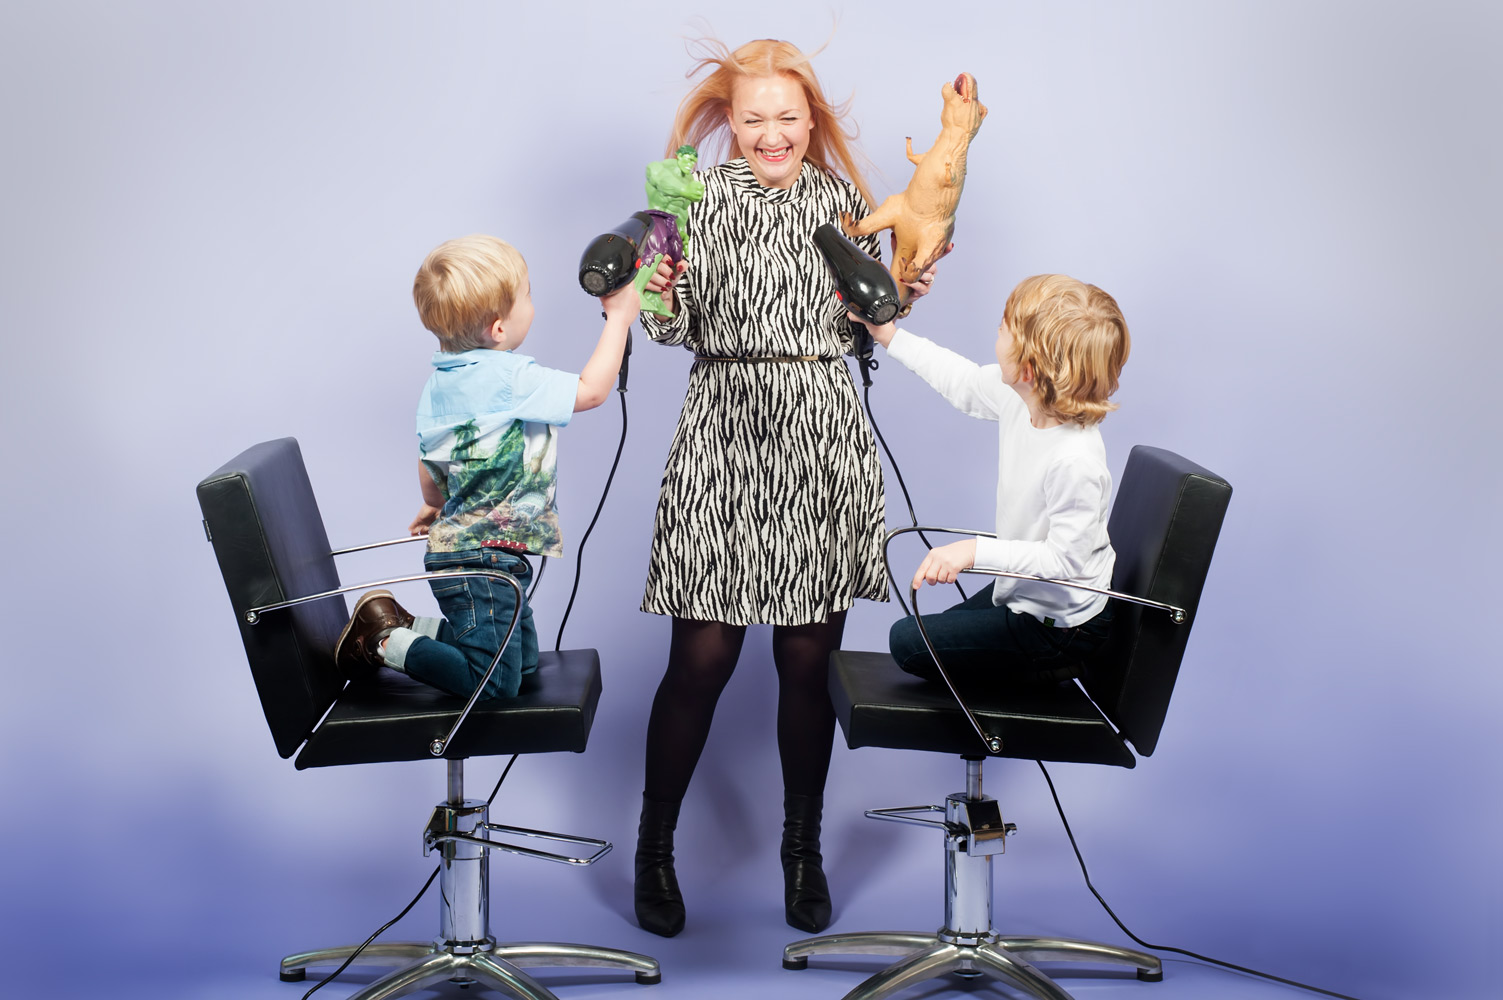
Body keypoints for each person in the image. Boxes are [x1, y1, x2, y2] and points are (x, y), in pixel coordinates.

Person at [629, 37, 939, 938]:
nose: (772, 133)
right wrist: (661, 276)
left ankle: (799, 850)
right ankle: (655, 846)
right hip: (723, 431)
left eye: (788, 118)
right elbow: (665, 327)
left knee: (807, 659)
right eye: (754, 117)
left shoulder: (842, 201)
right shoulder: (692, 202)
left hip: (818, 435)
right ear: (731, 123)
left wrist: (901, 288)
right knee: (702, 659)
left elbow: (865, 318)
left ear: (812, 123)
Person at [332, 235, 639, 700]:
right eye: (527, 294)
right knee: (493, 683)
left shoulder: (439, 384)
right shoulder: (509, 376)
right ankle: (380, 641)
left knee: (525, 664)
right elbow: (592, 391)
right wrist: (618, 318)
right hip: (482, 561)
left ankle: (408, 626)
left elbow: (430, 459)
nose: (533, 301)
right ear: (498, 328)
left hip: (476, 554)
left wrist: (434, 506)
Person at [848, 274, 1130, 689]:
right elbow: (960, 381)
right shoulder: (1021, 399)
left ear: (1029, 368)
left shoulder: (1075, 461)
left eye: (1005, 326)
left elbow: (1064, 565)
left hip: (1061, 628)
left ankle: (1052, 665)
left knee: (906, 643)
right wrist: (889, 335)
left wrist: (972, 552)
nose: (996, 331)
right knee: (925, 635)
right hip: (1022, 597)